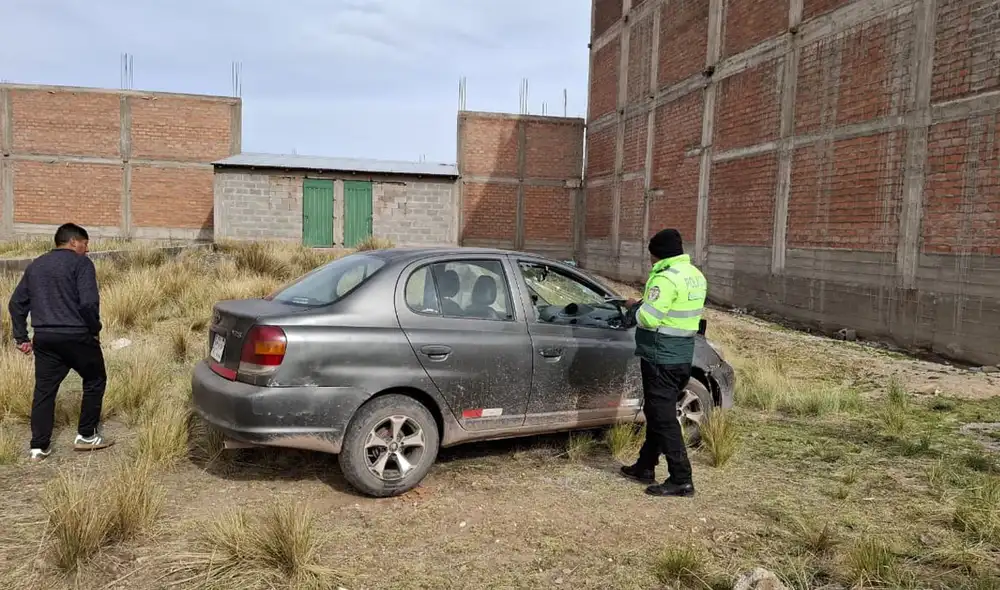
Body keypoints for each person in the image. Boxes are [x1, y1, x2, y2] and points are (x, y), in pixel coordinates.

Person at [8, 223, 112, 462]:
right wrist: (94, 329)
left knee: (44, 391)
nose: (87, 250)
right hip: (77, 335)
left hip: (44, 338)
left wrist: (21, 337)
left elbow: (16, 304)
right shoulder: (81, 263)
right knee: (95, 379)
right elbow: (88, 303)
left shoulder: (36, 265)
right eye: (85, 244)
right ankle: (86, 435)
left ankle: (38, 447)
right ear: (74, 242)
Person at [620, 228, 707, 497]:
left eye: (651, 255)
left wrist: (635, 306)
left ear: (657, 254)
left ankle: (681, 478)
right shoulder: (694, 275)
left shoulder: (665, 279)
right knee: (660, 412)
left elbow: (650, 318)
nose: (650, 261)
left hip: (660, 356)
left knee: (663, 418)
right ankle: (645, 466)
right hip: (682, 355)